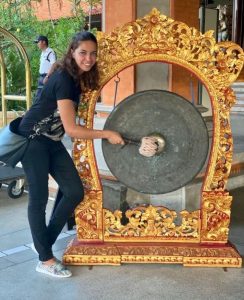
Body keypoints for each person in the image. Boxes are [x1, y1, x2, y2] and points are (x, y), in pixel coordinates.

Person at [18, 31, 124, 278]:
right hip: (32, 139)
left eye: (93, 53)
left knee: (75, 191)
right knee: (39, 197)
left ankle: (42, 241)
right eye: (83, 53)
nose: (89, 58)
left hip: (52, 141)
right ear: (72, 52)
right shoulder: (65, 79)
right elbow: (73, 129)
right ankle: (44, 259)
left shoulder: (76, 76)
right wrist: (107, 133)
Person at [34, 35, 56, 102]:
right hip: (41, 77)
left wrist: (47, 76)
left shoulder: (50, 52)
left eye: (38, 42)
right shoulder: (42, 53)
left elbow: (54, 64)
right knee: (38, 96)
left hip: (47, 77)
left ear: (44, 42)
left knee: (45, 97)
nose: (37, 44)